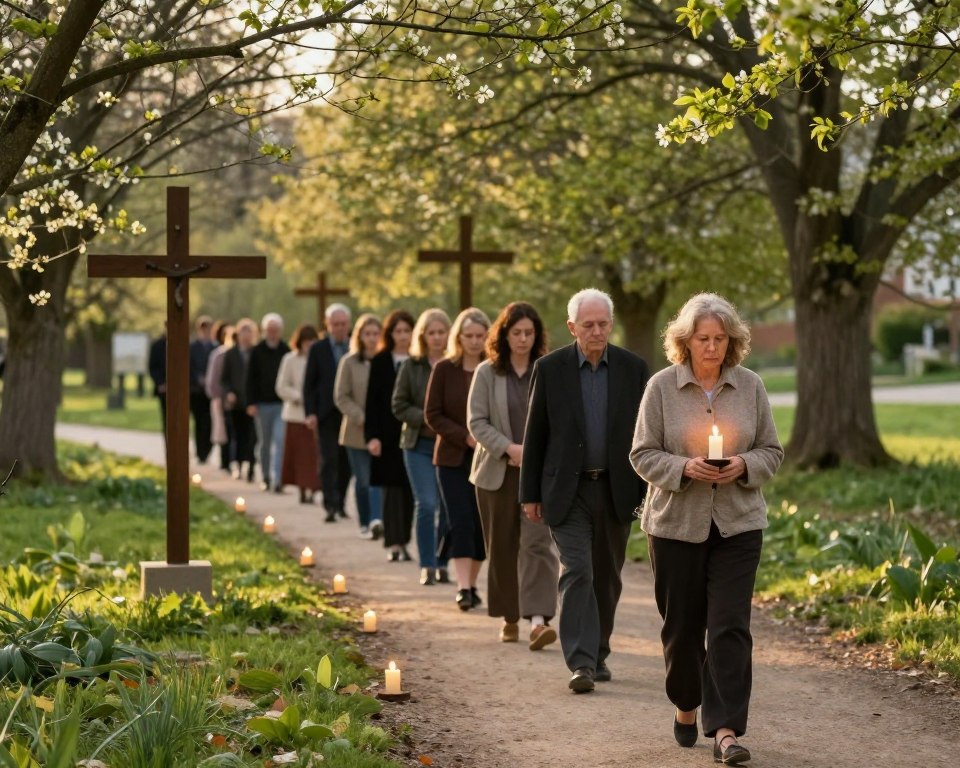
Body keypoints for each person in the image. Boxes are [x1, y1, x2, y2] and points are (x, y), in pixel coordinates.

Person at [629, 293, 783, 765]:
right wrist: (684, 467)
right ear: (686, 341)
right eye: (703, 339)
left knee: (729, 628)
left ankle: (726, 731)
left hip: (738, 526)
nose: (712, 347)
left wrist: (742, 463)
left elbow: (771, 452)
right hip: (675, 527)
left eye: (720, 339)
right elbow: (641, 454)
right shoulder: (660, 388)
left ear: (732, 341)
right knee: (682, 628)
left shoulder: (751, 387)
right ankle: (686, 702)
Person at [520, 288, 650, 694]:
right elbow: (536, 434)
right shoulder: (551, 368)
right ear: (572, 327)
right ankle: (580, 662)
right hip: (567, 490)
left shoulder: (634, 369)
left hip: (616, 488)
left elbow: (648, 433)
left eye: (603, 324)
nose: (596, 331)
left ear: (612, 324)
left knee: (607, 576)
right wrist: (529, 493)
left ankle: (599, 651)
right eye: (588, 325)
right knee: (577, 570)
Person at [468, 302, 559, 648]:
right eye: (516, 332)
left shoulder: (546, 370)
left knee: (538, 545)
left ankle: (538, 620)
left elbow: (558, 422)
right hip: (496, 473)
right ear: (504, 335)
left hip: (538, 475)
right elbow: (476, 421)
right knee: (503, 546)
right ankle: (509, 617)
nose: (522, 339)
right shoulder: (487, 373)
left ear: (537, 336)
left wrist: (536, 455)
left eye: (529, 333)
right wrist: (509, 448)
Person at [425, 307, 490, 608]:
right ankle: (463, 587)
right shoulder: (444, 369)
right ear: (459, 337)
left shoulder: (492, 369)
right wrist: (463, 435)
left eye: (480, 336)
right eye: (469, 336)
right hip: (451, 458)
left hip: (488, 458)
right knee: (459, 520)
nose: (475, 341)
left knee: (480, 524)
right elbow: (432, 414)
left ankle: (473, 583)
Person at [393, 308, 452, 586]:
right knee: (427, 504)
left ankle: (442, 562)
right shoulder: (411, 366)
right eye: (432, 333)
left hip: (451, 445)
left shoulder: (456, 365)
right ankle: (427, 564)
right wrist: (428, 419)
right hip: (418, 444)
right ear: (423, 336)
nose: (437, 337)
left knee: (448, 506)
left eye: (442, 332)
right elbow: (399, 405)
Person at [365, 310, 416, 562]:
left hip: (413, 434)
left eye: (407, 331)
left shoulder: (418, 361)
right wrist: (372, 436)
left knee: (409, 491)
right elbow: (371, 402)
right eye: (398, 331)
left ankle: (404, 540)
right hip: (385, 435)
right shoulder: (381, 360)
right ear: (391, 334)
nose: (403, 336)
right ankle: (394, 543)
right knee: (391, 490)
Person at [334, 314, 384, 538]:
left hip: (383, 432)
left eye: (376, 334)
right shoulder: (349, 362)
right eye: (368, 334)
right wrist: (360, 416)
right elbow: (341, 396)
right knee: (363, 479)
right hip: (356, 431)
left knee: (380, 479)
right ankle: (365, 521)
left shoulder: (385, 360)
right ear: (360, 336)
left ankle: (378, 520)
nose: (372, 338)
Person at [304, 303, 353, 521]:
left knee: (346, 462)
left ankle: (341, 502)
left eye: (343, 324)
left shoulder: (355, 347)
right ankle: (330, 504)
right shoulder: (318, 349)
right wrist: (310, 412)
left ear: (348, 324)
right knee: (328, 460)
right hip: (325, 413)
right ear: (328, 324)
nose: (339, 328)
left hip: (349, 414)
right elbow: (310, 383)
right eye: (335, 324)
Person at [276, 324, 322, 504]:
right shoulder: (290, 359)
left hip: (315, 415)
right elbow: (281, 386)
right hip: (295, 414)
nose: (309, 345)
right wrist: (299, 396)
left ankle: (313, 487)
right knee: (298, 456)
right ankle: (301, 488)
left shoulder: (318, 359)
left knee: (313, 456)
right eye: (306, 342)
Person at [247, 313, 291, 492]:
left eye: (275, 330)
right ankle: (265, 475)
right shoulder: (257, 351)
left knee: (280, 440)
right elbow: (250, 378)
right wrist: (251, 402)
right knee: (265, 442)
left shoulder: (286, 350)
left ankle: (278, 478)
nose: (272, 333)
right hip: (262, 404)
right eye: (269, 330)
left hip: (281, 404)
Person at [221, 318, 258, 482]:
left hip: (252, 403)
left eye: (249, 333)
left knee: (252, 437)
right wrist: (229, 393)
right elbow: (224, 378)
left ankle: (250, 467)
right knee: (238, 436)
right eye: (243, 333)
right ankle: (238, 465)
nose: (246, 336)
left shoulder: (256, 353)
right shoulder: (230, 354)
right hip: (235, 403)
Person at [205, 321, 235, 473]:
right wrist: (216, 396)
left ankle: (233, 460)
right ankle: (225, 462)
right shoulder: (219, 355)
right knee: (224, 432)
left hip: (235, 401)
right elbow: (213, 379)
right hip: (221, 400)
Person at [189, 315, 216, 464]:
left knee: (210, 422)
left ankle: (207, 449)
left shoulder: (215, 347)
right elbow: (190, 367)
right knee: (199, 422)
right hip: (196, 391)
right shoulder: (192, 348)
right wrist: (198, 379)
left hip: (210, 392)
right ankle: (200, 452)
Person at [148, 329, 167, 436]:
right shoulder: (157, 345)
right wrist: (160, 383)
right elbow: (152, 367)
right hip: (163, 388)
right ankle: (168, 448)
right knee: (166, 419)